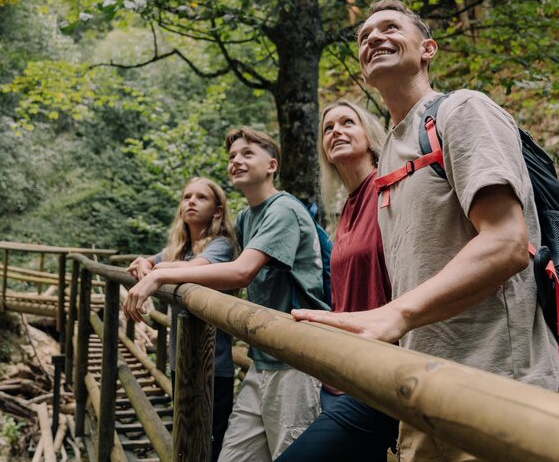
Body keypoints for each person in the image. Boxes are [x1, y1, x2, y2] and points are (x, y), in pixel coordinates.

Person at [292, 0, 559, 462]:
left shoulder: (463, 111)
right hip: (421, 388)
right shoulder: (392, 154)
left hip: (496, 384)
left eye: (390, 28)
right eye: (363, 36)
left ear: (428, 49)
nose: (373, 37)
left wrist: (396, 313)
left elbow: (507, 242)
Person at [123, 127, 328, 462]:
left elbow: (240, 271)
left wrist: (158, 275)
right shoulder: (248, 217)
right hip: (262, 358)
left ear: (272, 165)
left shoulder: (283, 209)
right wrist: (150, 262)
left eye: (248, 154)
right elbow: (195, 258)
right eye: (232, 156)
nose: (237, 161)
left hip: (296, 358)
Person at [275, 100, 397, 462]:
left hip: (380, 377)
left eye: (348, 123)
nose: (336, 131)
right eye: (328, 128)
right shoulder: (345, 209)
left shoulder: (389, 190)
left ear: (370, 135)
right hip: (342, 374)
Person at [125, 177, 238, 460]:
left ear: (217, 211)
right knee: (185, 434)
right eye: (187, 196)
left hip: (214, 365)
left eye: (201, 197)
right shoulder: (180, 248)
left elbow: (193, 268)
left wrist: (156, 269)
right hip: (181, 359)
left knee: (209, 442)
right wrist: (143, 262)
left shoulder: (220, 246)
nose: (191, 201)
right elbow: (152, 261)